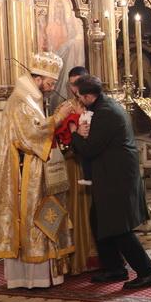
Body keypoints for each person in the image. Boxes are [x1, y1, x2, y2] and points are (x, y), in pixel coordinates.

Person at [0, 52, 75, 288]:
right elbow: (31, 135)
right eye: (50, 82)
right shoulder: (21, 100)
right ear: (38, 78)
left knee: (45, 212)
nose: (52, 87)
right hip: (25, 171)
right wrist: (58, 118)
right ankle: (30, 277)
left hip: (35, 168)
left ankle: (45, 274)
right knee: (33, 217)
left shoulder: (31, 97)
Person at [71, 75, 151, 289]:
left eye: (80, 97)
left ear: (89, 96)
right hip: (111, 174)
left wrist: (75, 133)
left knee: (120, 228)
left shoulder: (106, 113)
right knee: (98, 220)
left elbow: (90, 149)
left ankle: (148, 273)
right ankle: (114, 268)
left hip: (117, 177)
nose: (79, 101)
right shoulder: (104, 106)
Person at [59, 66, 97, 275]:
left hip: (96, 163)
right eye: (72, 85)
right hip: (74, 165)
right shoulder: (64, 108)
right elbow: (57, 140)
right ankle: (79, 258)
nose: (76, 89)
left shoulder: (97, 105)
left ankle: (101, 256)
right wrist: (72, 135)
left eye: (79, 83)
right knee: (77, 208)